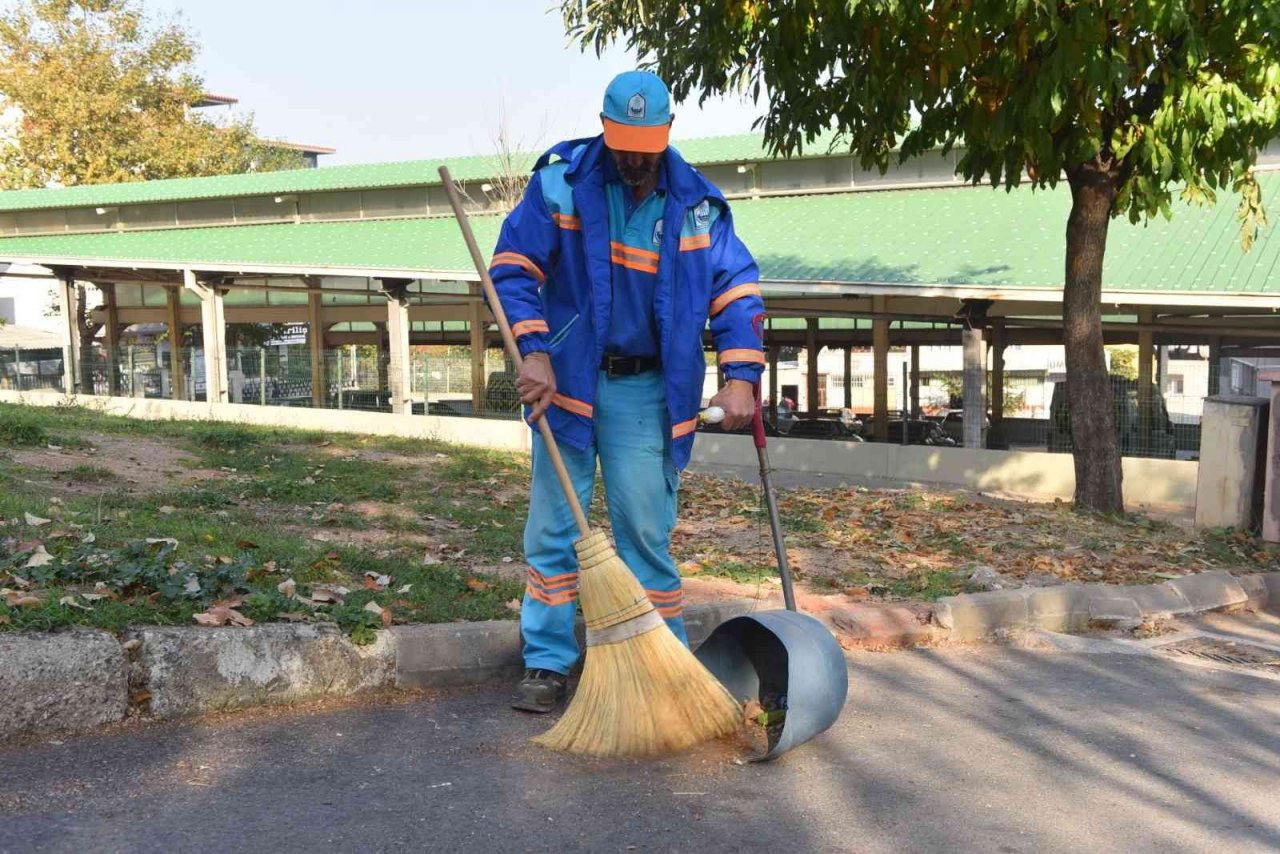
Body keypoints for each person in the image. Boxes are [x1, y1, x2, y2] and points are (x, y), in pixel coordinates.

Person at [489, 70, 766, 712]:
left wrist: (741, 378)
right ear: (606, 131)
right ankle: (547, 662)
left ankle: (658, 664)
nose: (635, 157)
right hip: (568, 382)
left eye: (647, 142)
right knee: (556, 530)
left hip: (650, 393)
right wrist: (533, 352)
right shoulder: (560, 182)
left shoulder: (698, 205)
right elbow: (513, 268)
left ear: (667, 133)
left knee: (646, 534)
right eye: (624, 142)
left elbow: (738, 291)